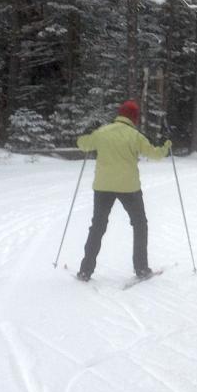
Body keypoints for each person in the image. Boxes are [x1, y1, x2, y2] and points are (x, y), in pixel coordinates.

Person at [75, 100, 171, 281]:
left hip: (103, 187)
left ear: (120, 114)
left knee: (97, 226)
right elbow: (155, 154)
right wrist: (166, 146)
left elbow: (83, 144)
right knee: (140, 224)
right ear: (133, 118)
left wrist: (84, 135)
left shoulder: (102, 132)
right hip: (129, 188)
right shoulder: (134, 136)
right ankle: (141, 268)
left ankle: (85, 270)